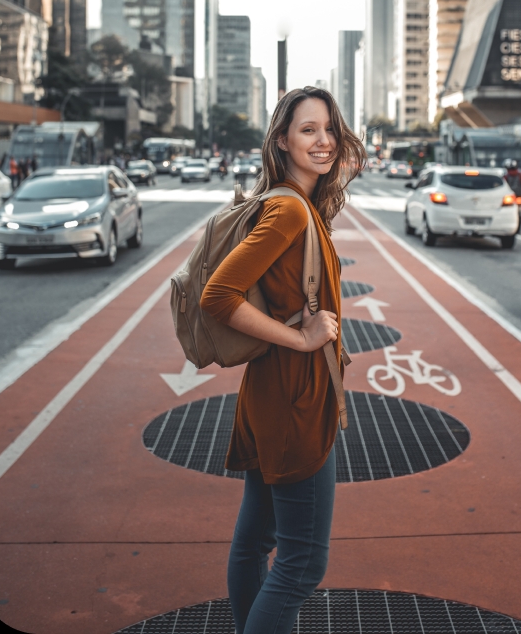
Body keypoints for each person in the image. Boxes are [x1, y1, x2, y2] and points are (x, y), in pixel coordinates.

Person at [201, 86, 366, 634]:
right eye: (307, 130)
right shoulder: (289, 211)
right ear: (282, 141)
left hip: (270, 393)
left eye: (328, 129)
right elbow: (219, 296)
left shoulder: (292, 203)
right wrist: (301, 339)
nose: (323, 141)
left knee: (255, 544)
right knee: (301, 565)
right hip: (297, 399)